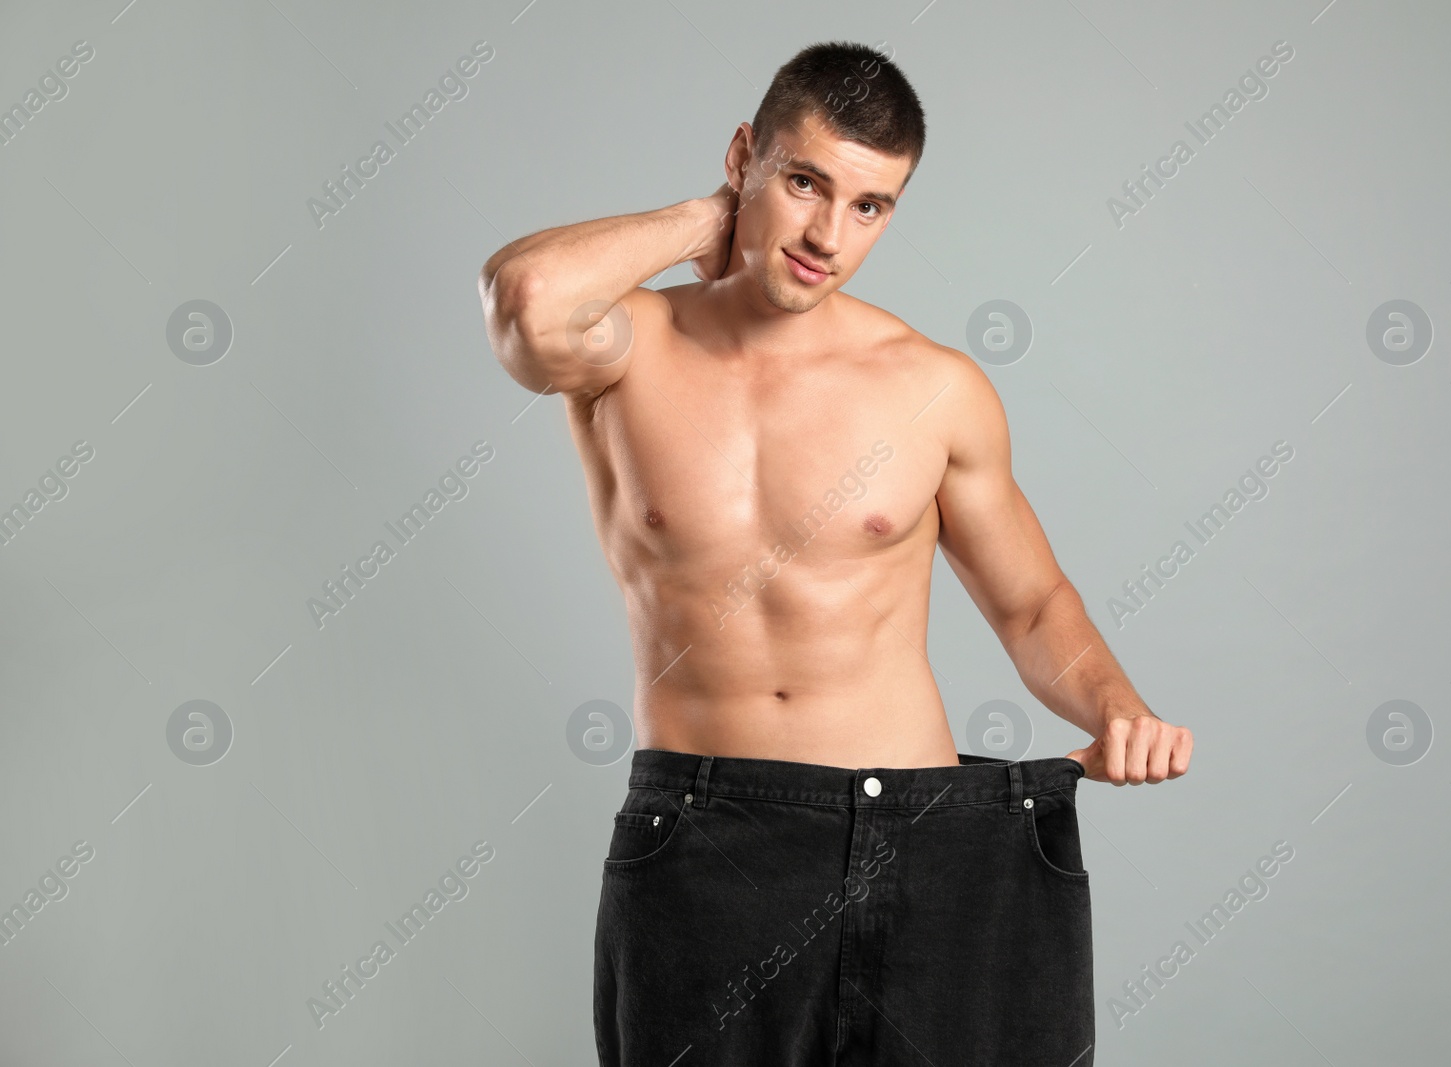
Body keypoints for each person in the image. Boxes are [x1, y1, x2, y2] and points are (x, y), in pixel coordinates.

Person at [478, 39, 1191, 1067]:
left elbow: (1032, 604)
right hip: (707, 834)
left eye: (870, 205)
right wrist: (706, 219)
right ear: (745, 156)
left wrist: (1117, 707)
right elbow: (524, 297)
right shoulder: (627, 348)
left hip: (919, 828)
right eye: (804, 182)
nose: (827, 234)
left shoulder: (931, 387)